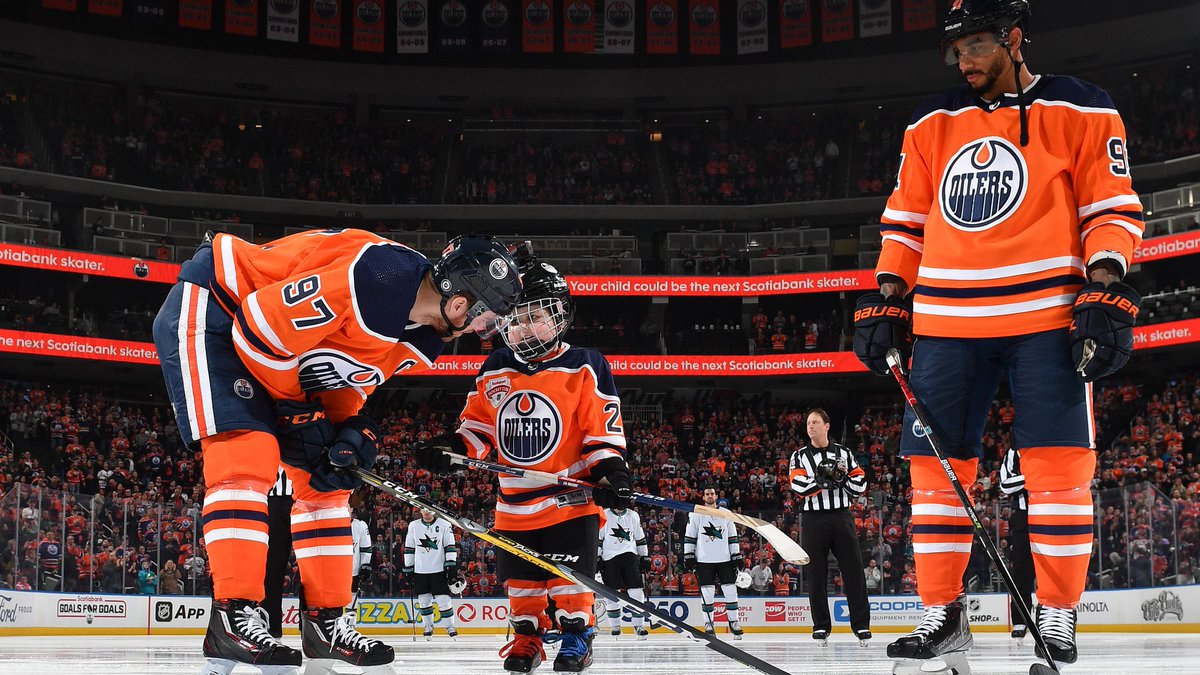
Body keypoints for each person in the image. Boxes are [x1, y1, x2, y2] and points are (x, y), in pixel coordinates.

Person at [852, 1, 1143, 671]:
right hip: (948, 323)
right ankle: (943, 615)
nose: (966, 61)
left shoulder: (1084, 108)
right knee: (932, 473)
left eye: (979, 44)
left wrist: (1104, 284)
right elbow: (906, 222)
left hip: (1046, 315)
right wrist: (891, 294)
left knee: (1059, 469)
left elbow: (1110, 206)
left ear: (1014, 38)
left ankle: (1057, 611)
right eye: (958, 50)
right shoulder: (930, 124)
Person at [152, 229, 521, 675]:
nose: (485, 331)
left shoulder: (426, 333)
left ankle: (325, 624)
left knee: (326, 483)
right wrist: (298, 414)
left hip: (275, 353)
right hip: (217, 307)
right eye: (488, 318)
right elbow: (258, 329)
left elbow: (346, 376)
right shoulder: (377, 277)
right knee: (247, 455)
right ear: (461, 303)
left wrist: (346, 430)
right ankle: (231, 618)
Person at [414, 250, 632, 673]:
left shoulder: (585, 364)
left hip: (569, 500)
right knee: (522, 584)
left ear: (560, 315)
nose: (524, 327)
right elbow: (479, 428)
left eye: (535, 316)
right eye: (515, 318)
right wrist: (452, 447)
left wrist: (611, 471)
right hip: (514, 506)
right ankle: (527, 637)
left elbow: (599, 430)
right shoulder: (496, 366)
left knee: (570, 584)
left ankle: (577, 636)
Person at [788, 408, 871, 646]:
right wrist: (827, 477)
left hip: (841, 516)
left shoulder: (844, 452)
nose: (810, 426)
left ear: (826, 426)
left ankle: (861, 625)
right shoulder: (799, 456)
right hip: (813, 519)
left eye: (815, 422)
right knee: (816, 574)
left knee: (854, 570)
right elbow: (798, 485)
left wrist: (838, 478)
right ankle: (821, 626)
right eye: (808, 423)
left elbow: (859, 482)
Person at [684, 487, 744, 639]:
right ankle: (708, 623)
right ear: (703, 497)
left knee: (731, 591)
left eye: (712, 493)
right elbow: (690, 536)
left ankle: (734, 622)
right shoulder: (696, 513)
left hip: (725, 560)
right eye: (707, 494)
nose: (710, 496)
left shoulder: (726, 514)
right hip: (704, 560)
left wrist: (736, 555)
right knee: (707, 593)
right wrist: (688, 555)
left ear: (717, 496)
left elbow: (732, 537)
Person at [402, 507, 459, 640]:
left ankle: (450, 627)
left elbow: (450, 545)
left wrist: (451, 565)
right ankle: (428, 626)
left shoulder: (445, 524)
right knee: (424, 600)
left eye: (429, 509)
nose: (426, 512)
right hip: (420, 570)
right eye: (423, 509)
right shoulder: (413, 526)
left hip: (438, 569)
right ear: (420, 511)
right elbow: (409, 547)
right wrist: (408, 568)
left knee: (444, 600)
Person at [598, 505, 651, 639]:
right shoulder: (604, 514)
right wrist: (597, 557)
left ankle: (638, 625)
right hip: (609, 558)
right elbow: (599, 538)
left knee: (636, 591)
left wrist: (644, 556)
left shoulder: (633, 515)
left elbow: (640, 537)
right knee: (611, 593)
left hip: (629, 556)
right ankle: (615, 626)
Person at [999, 447, 1034, 644]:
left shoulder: (1050, 444)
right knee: (1021, 572)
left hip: (1052, 513)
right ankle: (1020, 620)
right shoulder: (1015, 452)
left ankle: (1052, 620)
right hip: (1024, 520)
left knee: (1054, 568)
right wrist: (1034, 477)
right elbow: (1005, 484)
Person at [262, 465, 294, 638]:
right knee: (273, 568)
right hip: (274, 499)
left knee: (310, 568)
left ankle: (313, 630)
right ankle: (270, 627)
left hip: (303, 496)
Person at [350, 509, 373, 610]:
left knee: (352, 597)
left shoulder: (360, 525)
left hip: (353, 570)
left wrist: (364, 566)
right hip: (334, 571)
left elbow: (366, 549)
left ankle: (349, 624)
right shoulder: (330, 523)